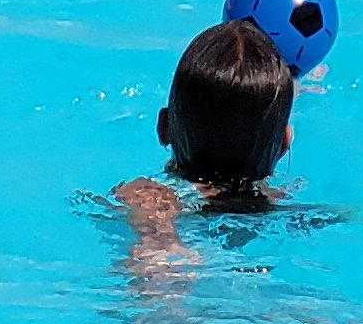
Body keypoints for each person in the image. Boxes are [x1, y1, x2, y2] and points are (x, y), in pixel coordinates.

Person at [115, 19, 295, 264]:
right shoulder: (278, 200)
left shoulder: (151, 196)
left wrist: (160, 243)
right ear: (284, 144)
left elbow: (155, 252)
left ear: (163, 127)